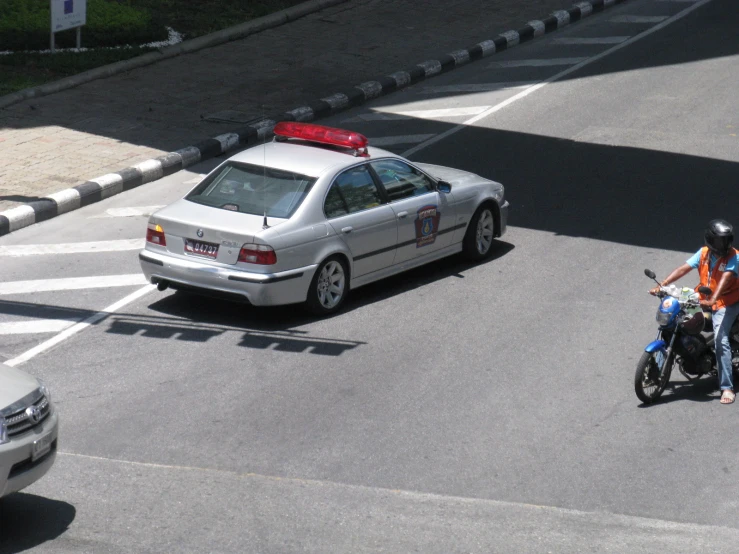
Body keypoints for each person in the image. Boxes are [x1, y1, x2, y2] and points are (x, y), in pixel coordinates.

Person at [649, 220, 739, 404]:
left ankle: (727, 387)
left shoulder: (734, 257)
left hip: (726, 302)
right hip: (703, 298)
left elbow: (725, 279)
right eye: (721, 241)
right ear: (711, 240)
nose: (725, 245)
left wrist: (713, 300)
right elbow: (684, 268)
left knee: (721, 340)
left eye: (727, 240)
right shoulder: (704, 253)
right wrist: (663, 285)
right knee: (678, 318)